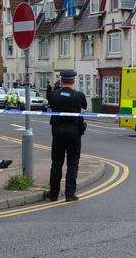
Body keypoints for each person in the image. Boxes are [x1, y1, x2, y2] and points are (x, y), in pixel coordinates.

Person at [44, 70, 87, 202]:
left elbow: (50, 100)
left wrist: (54, 90)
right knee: (73, 164)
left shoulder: (54, 95)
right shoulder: (79, 96)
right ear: (73, 81)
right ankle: (70, 194)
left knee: (56, 163)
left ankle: (53, 194)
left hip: (57, 133)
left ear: (61, 81)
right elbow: (84, 106)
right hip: (74, 133)